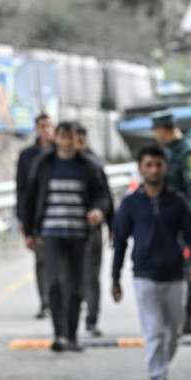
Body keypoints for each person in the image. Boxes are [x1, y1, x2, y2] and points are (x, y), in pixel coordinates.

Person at [111, 144, 191, 380]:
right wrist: (115, 278)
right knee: (154, 331)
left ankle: (162, 363)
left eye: (158, 164)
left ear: (165, 167)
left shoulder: (177, 202)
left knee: (173, 331)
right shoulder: (130, 204)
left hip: (174, 275)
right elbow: (120, 243)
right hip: (144, 275)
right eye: (148, 165)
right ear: (140, 168)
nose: (153, 169)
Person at [20, 121, 111, 352]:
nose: (67, 142)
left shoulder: (88, 166)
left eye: (71, 137)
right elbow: (30, 197)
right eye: (62, 137)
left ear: (76, 139)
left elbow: (103, 194)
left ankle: (72, 335)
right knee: (55, 282)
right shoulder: (44, 163)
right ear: (56, 138)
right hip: (51, 233)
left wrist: (98, 211)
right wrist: (30, 230)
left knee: (76, 285)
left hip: (79, 234)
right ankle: (58, 334)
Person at [151, 112, 191, 334]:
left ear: (163, 129)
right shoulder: (166, 151)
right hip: (165, 219)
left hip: (183, 218)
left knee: (187, 266)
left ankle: (189, 315)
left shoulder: (188, 152)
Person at [15, 112, 55, 319]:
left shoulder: (63, 152)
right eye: (42, 125)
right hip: (37, 215)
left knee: (61, 261)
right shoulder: (28, 155)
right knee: (42, 261)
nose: (46, 129)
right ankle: (45, 302)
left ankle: (66, 299)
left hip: (59, 212)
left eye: (49, 125)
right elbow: (22, 189)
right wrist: (23, 218)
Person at [76, 124, 114, 337]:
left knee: (92, 276)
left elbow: (104, 195)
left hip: (91, 230)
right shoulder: (56, 163)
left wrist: (109, 224)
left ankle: (92, 318)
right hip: (67, 231)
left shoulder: (94, 164)